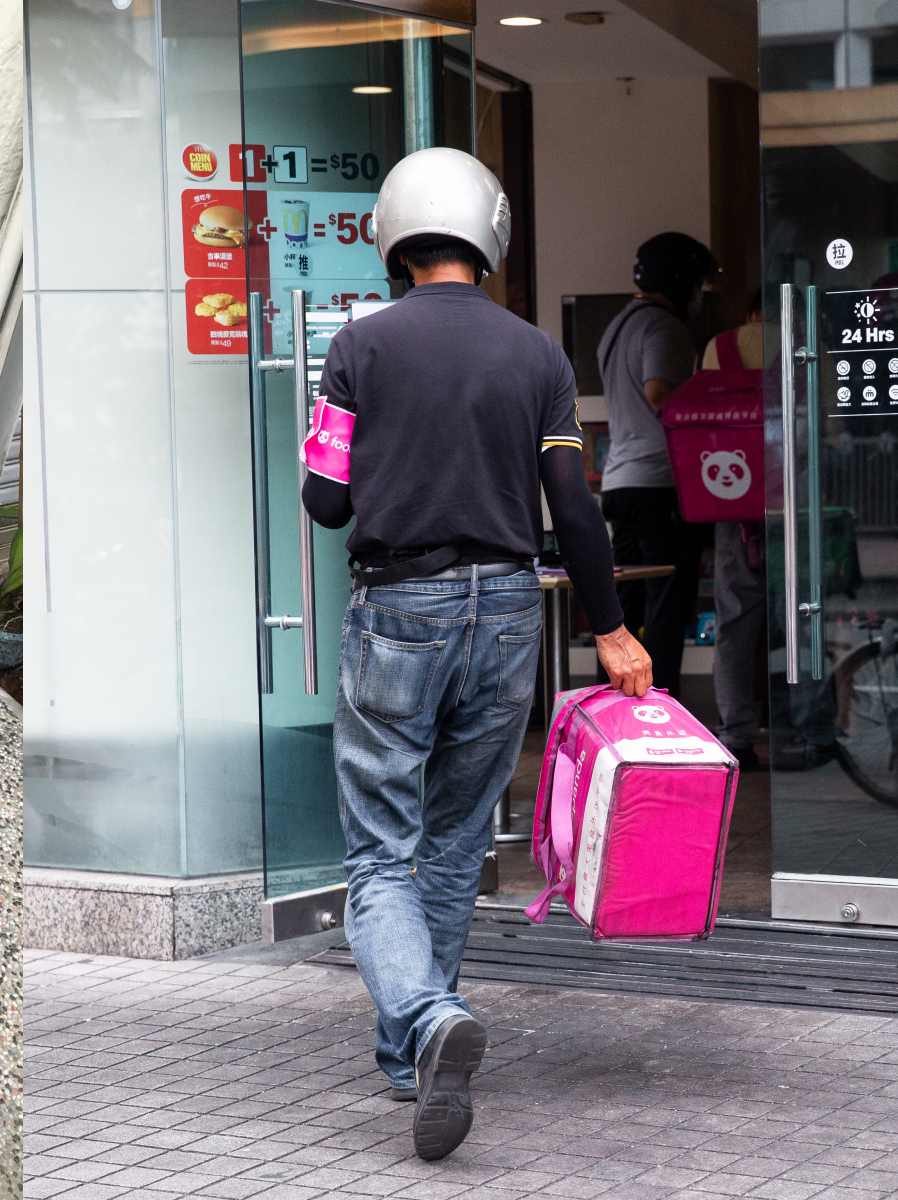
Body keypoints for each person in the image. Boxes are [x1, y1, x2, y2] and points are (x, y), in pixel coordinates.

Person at [301, 147, 652, 1162]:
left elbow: (325, 502)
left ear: (395, 237)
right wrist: (610, 627)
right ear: (488, 234)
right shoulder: (538, 356)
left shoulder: (358, 348)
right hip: (507, 609)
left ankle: (422, 1023)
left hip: (397, 606)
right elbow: (574, 508)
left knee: (380, 851)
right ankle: (415, 1047)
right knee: (456, 843)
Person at [597, 233, 719, 696]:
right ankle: (662, 712)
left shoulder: (617, 326)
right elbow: (659, 394)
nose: (698, 295)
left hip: (620, 482)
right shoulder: (665, 328)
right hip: (659, 486)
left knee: (623, 611)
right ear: (679, 280)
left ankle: (611, 713)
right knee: (667, 606)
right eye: (697, 284)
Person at [701, 295, 766, 769]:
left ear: (750, 314)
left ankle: (736, 734)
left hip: (734, 504)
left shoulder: (718, 348)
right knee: (804, 620)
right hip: (795, 502)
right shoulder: (810, 344)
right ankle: (812, 730)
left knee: (735, 623)